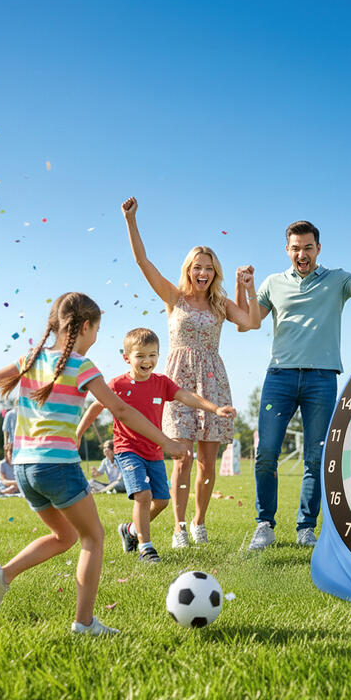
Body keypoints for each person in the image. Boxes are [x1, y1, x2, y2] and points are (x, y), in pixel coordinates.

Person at [0, 291, 187, 637]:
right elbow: (120, 409)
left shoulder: (31, 358)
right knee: (93, 537)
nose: (96, 336)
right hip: (57, 465)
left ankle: (2, 576)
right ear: (86, 327)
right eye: (97, 329)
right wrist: (167, 442)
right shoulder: (82, 366)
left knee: (65, 535)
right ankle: (84, 623)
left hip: (25, 469)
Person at [236, 219, 351, 550]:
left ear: (318, 249)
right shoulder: (273, 283)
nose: (302, 254)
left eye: (308, 248)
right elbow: (248, 323)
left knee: (316, 457)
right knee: (266, 453)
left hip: (322, 378)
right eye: (296, 248)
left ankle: (306, 527)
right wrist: (247, 288)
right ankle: (264, 524)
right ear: (287, 250)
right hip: (279, 377)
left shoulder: (337, 280)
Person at [122, 196, 259, 548]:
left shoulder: (220, 304)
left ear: (215, 273)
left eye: (209, 268)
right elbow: (142, 261)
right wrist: (131, 220)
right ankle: (179, 527)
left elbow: (251, 322)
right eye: (198, 267)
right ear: (189, 269)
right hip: (177, 383)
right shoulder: (174, 297)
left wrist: (248, 289)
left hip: (213, 381)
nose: (203, 273)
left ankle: (199, 522)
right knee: (182, 459)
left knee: (208, 464)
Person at [77, 327, 236, 563]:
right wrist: (79, 433)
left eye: (152, 355)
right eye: (140, 355)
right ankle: (146, 548)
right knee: (143, 495)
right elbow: (95, 407)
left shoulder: (161, 383)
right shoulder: (117, 384)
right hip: (127, 449)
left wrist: (215, 408)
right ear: (127, 358)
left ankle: (131, 530)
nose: (147, 361)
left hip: (154, 451)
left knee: (161, 501)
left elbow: (187, 396)